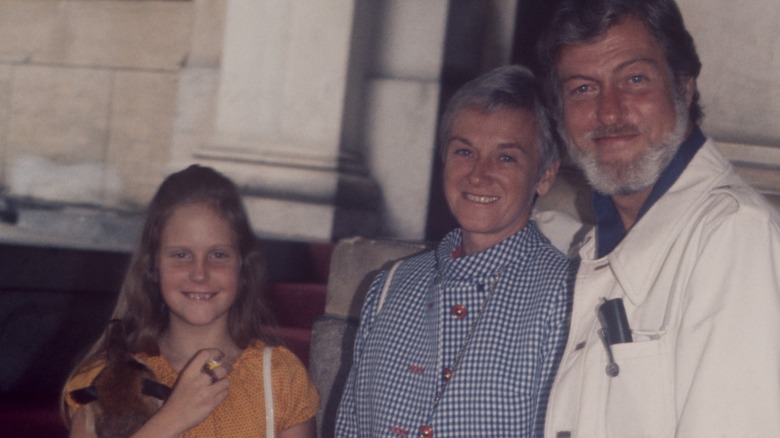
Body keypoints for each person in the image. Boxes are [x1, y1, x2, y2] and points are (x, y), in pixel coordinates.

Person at [536, 0, 780, 436]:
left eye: (634, 79)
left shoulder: (733, 236)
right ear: (559, 113)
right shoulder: (600, 239)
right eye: (582, 89)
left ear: (684, 87)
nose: (609, 112)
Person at [335, 65, 575, 437]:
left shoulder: (567, 297)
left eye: (506, 157)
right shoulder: (390, 287)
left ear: (544, 175)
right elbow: (351, 426)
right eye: (464, 151)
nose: (478, 175)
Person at [61, 165, 319, 437]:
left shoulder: (280, 378)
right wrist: (172, 419)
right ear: (152, 266)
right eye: (181, 255)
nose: (199, 273)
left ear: (243, 267)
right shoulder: (107, 379)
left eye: (218, 255)